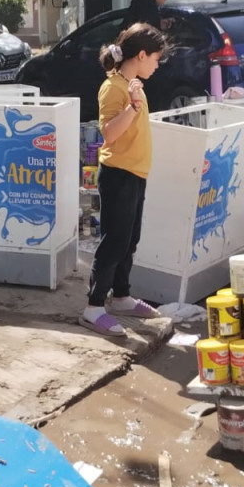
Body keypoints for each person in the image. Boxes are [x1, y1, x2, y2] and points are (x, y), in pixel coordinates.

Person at [80, 23, 168, 336]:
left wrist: (135, 99)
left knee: (130, 239)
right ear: (141, 55)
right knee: (114, 240)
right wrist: (132, 105)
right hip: (119, 174)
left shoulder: (131, 83)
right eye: (155, 58)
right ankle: (93, 306)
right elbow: (109, 134)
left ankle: (121, 296)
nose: (157, 65)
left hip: (136, 173)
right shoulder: (114, 87)